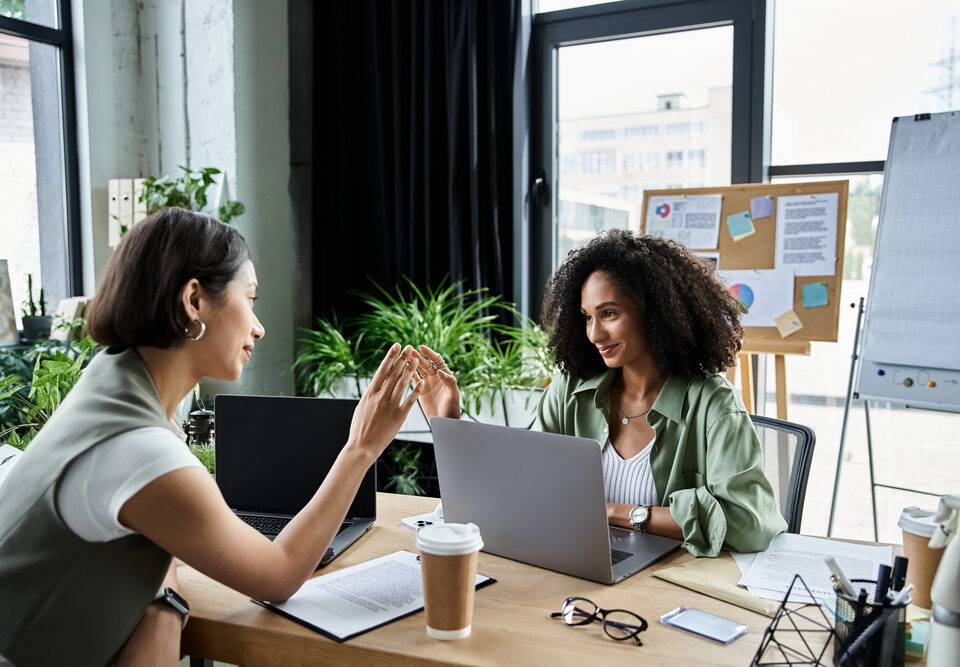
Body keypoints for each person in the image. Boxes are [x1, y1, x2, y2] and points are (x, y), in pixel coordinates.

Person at [0, 208, 424, 667]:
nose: (259, 327)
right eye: (251, 297)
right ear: (195, 301)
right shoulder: (141, 450)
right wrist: (360, 448)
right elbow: (278, 576)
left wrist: (163, 600)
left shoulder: (109, 377)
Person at [415, 229, 786, 558]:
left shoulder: (712, 403)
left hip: (669, 583)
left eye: (608, 314)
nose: (594, 334)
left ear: (655, 313)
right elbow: (523, 488)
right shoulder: (571, 390)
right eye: (587, 317)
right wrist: (449, 424)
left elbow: (748, 522)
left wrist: (614, 513)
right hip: (580, 564)